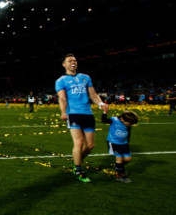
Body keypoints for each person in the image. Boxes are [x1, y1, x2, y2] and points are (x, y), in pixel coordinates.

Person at [55, 53, 108, 183]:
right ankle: (78, 169)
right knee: (78, 142)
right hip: (73, 114)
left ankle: (77, 161)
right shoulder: (61, 81)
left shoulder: (85, 77)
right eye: (69, 61)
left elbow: (93, 94)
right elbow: (62, 98)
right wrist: (63, 112)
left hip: (87, 113)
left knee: (90, 145)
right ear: (64, 64)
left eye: (75, 60)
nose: (73, 62)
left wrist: (101, 104)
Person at [101, 110, 139, 183]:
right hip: (114, 142)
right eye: (129, 123)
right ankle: (120, 175)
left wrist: (127, 142)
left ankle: (118, 166)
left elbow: (128, 133)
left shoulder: (128, 124)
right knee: (119, 159)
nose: (130, 125)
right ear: (122, 119)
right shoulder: (114, 120)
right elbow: (104, 120)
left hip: (124, 143)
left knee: (128, 159)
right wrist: (105, 112)